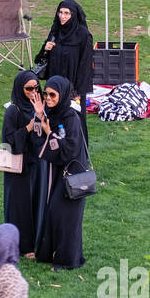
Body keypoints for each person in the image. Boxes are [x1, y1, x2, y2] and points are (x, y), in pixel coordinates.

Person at [33, 75, 89, 270]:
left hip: (73, 176)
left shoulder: (71, 117)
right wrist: (40, 115)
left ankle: (67, 260)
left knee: (65, 217)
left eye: (52, 95)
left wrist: (50, 134)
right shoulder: (54, 113)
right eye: (45, 93)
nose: (48, 98)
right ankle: (52, 254)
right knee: (55, 214)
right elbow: (39, 136)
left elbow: (71, 148)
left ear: (62, 95)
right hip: (59, 173)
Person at [36, 0, 95, 144]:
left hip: (73, 87)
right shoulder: (56, 31)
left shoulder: (83, 36)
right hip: (54, 86)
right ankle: (53, 149)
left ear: (74, 15)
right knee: (54, 118)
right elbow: (40, 61)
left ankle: (78, 155)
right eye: (60, 12)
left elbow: (85, 67)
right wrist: (45, 49)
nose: (62, 16)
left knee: (74, 121)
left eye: (67, 13)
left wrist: (77, 92)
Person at [1, 70, 47, 256]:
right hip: (18, 167)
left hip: (37, 163)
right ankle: (21, 245)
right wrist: (28, 127)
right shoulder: (13, 111)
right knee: (20, 206)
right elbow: (8, 139)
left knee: (36, 201)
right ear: (20, 89)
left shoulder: (39, 106)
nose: (33, 91)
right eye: (29, 89)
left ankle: (35, 241)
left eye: (36, 87)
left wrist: (41, 116)